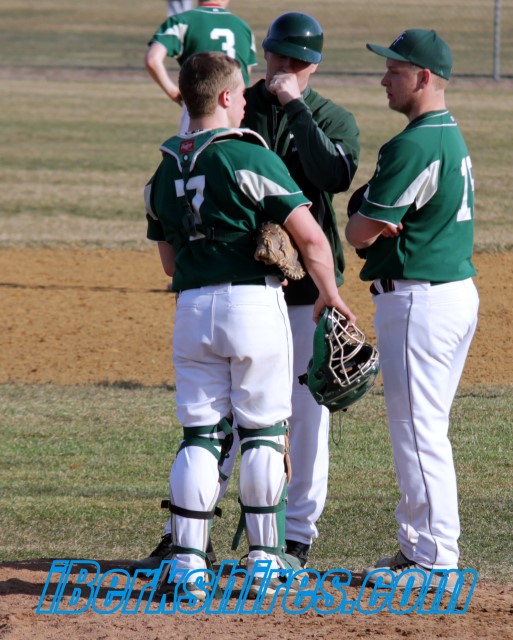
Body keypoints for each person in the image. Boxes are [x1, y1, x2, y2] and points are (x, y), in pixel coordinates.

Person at [131, 10, 360, 576]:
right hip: (255, 302)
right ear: (229, 96)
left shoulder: (163, 168)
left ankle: (187, 561)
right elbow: (311, 237)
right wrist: (331, 292)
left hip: (193, 306)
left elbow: (169, 260)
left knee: (201, 435)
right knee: (263, 433)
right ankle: (266, 559)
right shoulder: (250, 151)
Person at [345, 29, 479, 591]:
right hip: (449, 294)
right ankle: (419, 547)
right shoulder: (449, 134)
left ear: (423, 77)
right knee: (426, 430)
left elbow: (358, 232)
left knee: (418, 433)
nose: (384, 79)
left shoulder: (414, 144)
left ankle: (435, 560)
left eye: (394, 70)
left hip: (419, 303)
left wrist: (363, 219)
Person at [240, 12, 360, 568]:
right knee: (236, 411)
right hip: (244, 281)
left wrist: (294, 107)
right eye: (275, 56)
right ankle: (194, 527)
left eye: (294, 60)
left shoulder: (332, 118)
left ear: (312, 65)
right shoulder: (238, 105)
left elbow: (334, 176)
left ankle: (297, 534)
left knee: (308, 415)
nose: (281, 67)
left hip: (308, 289)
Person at [145, 0, 257, 134]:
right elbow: (246, 75)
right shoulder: (243, 27)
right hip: (238, 108)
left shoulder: (181, 21)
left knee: (194, 147)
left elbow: (152, 60)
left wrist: (173, 92)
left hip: (201, 108)